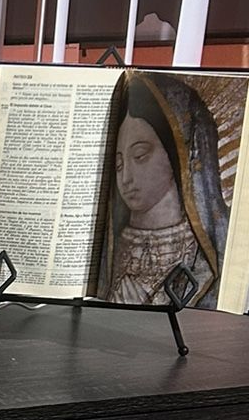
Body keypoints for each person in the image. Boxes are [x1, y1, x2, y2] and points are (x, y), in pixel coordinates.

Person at [96, 72, 229, 308]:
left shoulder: (205, 258)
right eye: (118, 165)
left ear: (177, 153)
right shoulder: (112, 246)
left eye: (140, 155)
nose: (126, 178)